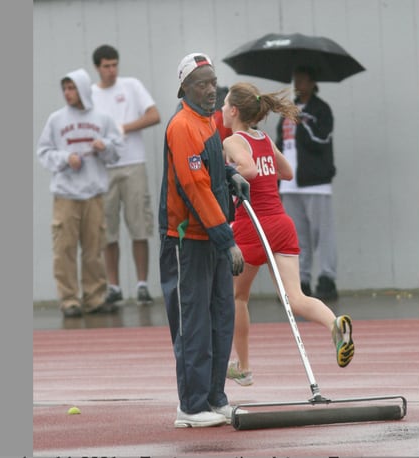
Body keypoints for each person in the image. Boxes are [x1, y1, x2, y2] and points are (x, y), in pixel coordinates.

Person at [220, 82, 354, 387]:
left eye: (225, 105)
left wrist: (229, 175)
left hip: (252, 225)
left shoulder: (232, 141)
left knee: (237, 297)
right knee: (295, 297)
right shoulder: (264, 138)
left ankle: (243, 367)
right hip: (282, 224)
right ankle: (335, 325)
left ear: (235, 110)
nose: (221, 110)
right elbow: (287, 173)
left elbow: (249, 170)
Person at [159, 53, 250, 428]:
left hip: (211, 238)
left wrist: (229, 173)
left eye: (214, 82)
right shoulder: (182, 126)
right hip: (187, 241)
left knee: (220, 319)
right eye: (202, 83)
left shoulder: (209, 123)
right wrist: (227, 239)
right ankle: (192, 406)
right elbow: (195, 188)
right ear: (185, 88)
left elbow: (209, 169)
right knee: (193, 323)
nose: (212, 89)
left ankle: (215, 397)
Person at [37, 68, 124, 317]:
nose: (68, 93)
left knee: (93, 248)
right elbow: (43, 151)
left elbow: (117, 151)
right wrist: (66, 158)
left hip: (94, 194)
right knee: (63, 250)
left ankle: (95, 298)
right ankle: (69, 300)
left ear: (83, 88)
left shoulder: (103, 119)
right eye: (65, 88)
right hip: (65, 195)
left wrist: (104, 145)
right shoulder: (56, 120)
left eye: (72, 88)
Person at [91, 45, 161, 308]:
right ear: (97, 67)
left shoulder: (131, 86)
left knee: (139, 227)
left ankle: (142, 285)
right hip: (104, 168)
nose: (111, 70)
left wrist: (122, 128)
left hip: (133, 164)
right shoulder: (91, 94)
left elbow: (154, 115)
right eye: (106, 66)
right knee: (108, 231)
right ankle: (114, 286)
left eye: (114, 65)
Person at [275, 66, 339, 300]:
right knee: (297, 235)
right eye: (295, 79)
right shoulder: (287, 110)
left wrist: (304, 123)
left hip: (315, 182)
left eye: (302, 79)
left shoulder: (320, 110)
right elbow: (280, 144)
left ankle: (327, 278)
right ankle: (301, 280)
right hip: (290, 183)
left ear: (313, 82)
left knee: (323, 233)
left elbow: (321, 139)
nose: (298, 83)